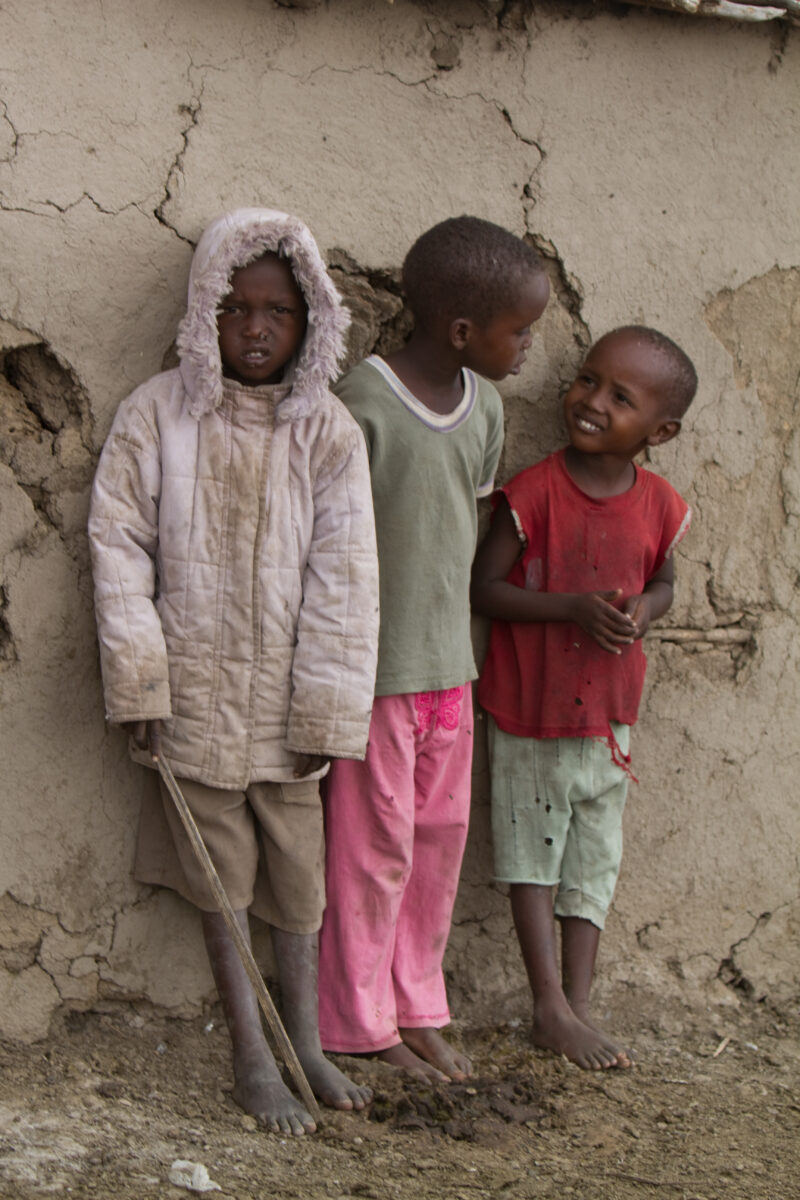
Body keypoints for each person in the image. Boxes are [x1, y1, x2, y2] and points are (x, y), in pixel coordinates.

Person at [89, 208, 379, 1135]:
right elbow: (118, 547)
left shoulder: (327, 432)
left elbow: (348, 577)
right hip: (195, 700)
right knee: (219, 876)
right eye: (236, 307)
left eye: (280, 312)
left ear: (313, 322)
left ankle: (305, 1038)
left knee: (299, 879)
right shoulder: (157, 413)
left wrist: (331, 710)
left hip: (290, 710)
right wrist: (139, 681)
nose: (256, 328)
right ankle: (250, 1055)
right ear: (203, 311)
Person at [318, 215, 551, 1081]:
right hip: (378, 677)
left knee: (437, 845)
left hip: (452, 671)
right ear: (461, 331)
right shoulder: (362, 403)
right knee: (370, 852)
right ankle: (355, 1019)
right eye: (519, 331)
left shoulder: (486, 407)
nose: (528, 347)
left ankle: (416, 1005)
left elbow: (470, 522)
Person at [471, 325, 697, 1070]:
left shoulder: (660, 504)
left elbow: (663, 580)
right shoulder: (534, 492)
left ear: (659, 432)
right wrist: (569, 607)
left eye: (620, 397)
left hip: (609, 723)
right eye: (588, 380)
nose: (591, 402)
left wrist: (648, 610)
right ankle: (547, 1005)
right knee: (534, 858)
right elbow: (487, 589)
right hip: (533, 714)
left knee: (593, 862)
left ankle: (580, 1002)